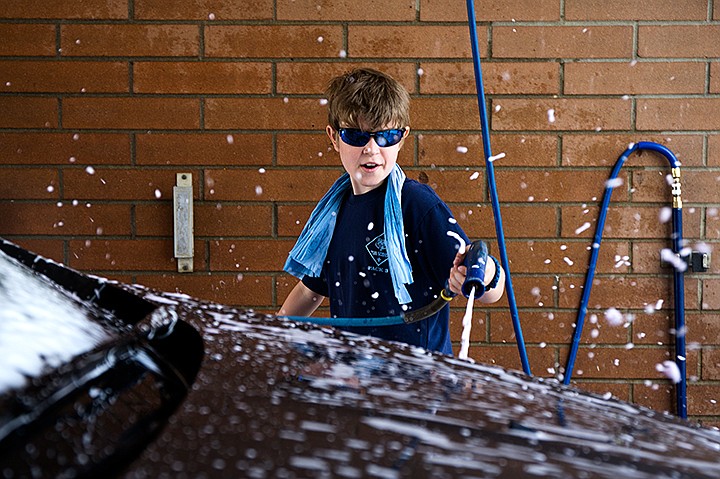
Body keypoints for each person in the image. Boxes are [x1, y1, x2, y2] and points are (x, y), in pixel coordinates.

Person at [279, 67, 504, 355]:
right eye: (356, 136)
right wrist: (273, 337)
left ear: (402, 137)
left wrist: (482, 274)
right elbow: (310, 290)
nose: (372, 149)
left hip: (417, 385)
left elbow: (492, 289)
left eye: (386, 136)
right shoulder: (333, 212)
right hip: (357, 380)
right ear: (334, 137)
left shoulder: (416, 204)